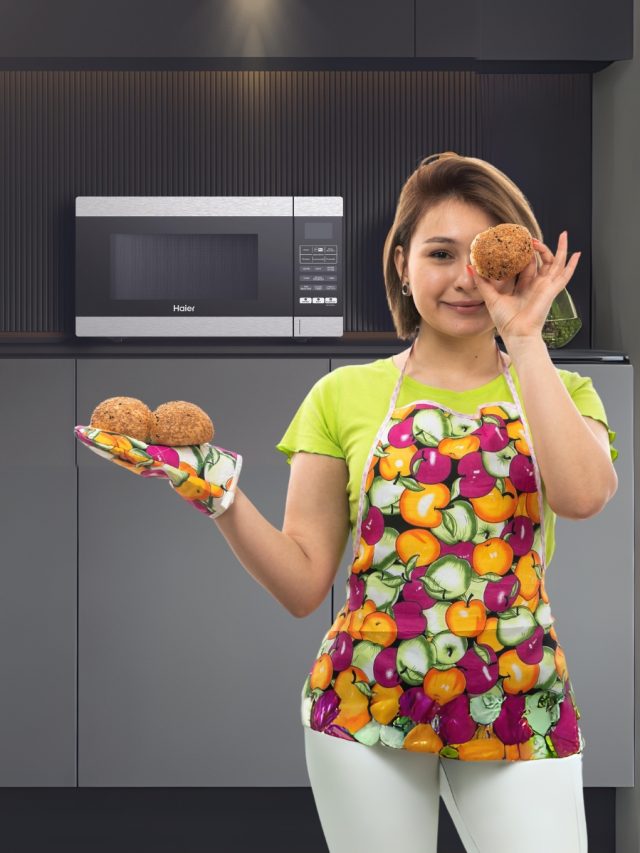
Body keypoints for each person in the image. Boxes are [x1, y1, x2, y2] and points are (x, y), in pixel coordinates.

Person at [215, 152, 619, 853]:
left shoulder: (559, 390)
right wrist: (220, 497)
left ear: (520, 265)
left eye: (486, 257)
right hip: (366, 700)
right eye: (440, 253)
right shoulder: (342, 395)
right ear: (402, 263)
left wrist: (525, 338)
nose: (466, 277)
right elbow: (305, 581)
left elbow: (584, 496)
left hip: (515, 699)